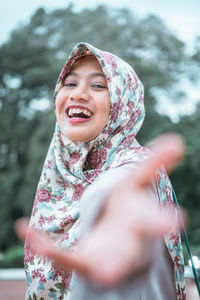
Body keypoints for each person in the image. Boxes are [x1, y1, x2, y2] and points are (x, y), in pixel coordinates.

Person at [16, 42, 186, 299]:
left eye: (98, 85)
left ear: (123, 103)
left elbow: (118, 190)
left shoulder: (136, 167)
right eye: (70, 84)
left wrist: (110, 207)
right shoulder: (59, 172)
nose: (78, 94)